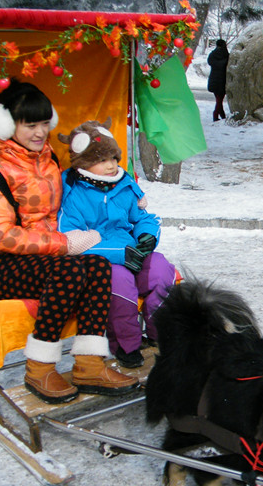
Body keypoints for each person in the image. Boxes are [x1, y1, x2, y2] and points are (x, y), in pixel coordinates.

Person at [0, 78, 139, 404]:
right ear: (7, 124)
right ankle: (40, 367)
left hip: (43, 257)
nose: (39, 132)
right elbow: (1, 235)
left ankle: (89, 364)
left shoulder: (49, 163)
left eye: (44, 124)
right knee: (72, 271)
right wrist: (64, 244)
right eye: (29, 124)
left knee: (98, 266)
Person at [57, 119, 177, 369]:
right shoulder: (72, 190)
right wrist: (120, 254)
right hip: (100, 259)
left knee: (160, 268)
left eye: (113, 157)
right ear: (84, 163)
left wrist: (147, 236)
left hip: (132, 249)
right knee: (119, 280)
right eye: (102, 160)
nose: (111, 165)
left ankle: (160, 333)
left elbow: (143, 218)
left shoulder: (124, 184)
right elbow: (71, 240)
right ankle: (127, 344)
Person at [207, 39, 228, 122]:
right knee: (219, 100)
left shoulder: (212, 55)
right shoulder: (226, 55)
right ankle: (215, 115)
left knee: (218, 99)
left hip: (213, 79)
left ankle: (223, 116)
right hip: (222, 80)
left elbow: (210, 62)